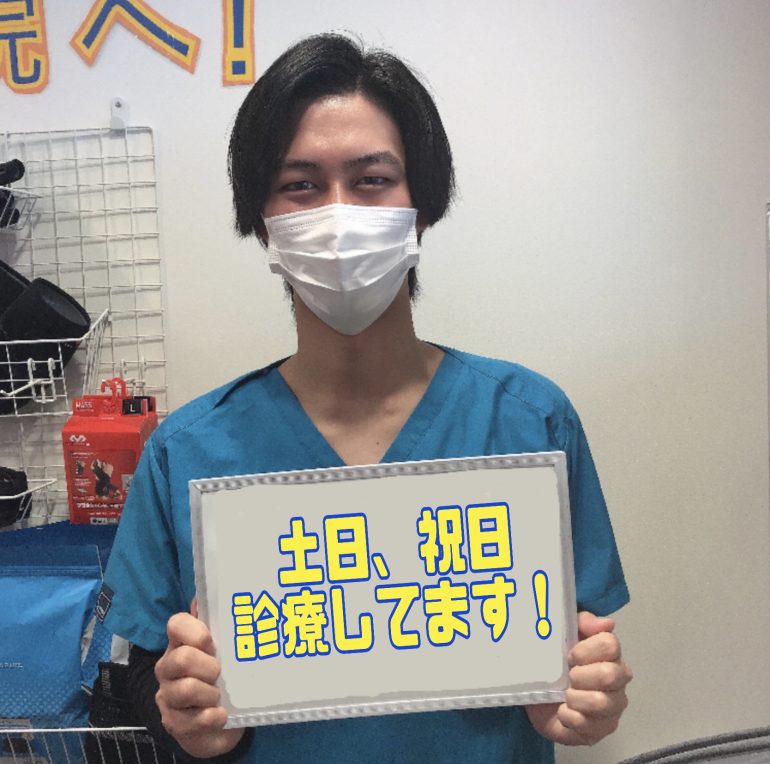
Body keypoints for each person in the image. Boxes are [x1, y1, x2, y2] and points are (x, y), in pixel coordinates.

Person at [100, 32, 632, 763]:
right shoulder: (185, 452)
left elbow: (581, 650)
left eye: (373, 179)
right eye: (301, 185)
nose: (338, 213)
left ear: (422, 205)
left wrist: (587, 704)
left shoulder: (529, 420)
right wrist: (188, 720)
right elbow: (147, 673)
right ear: (262, 219)